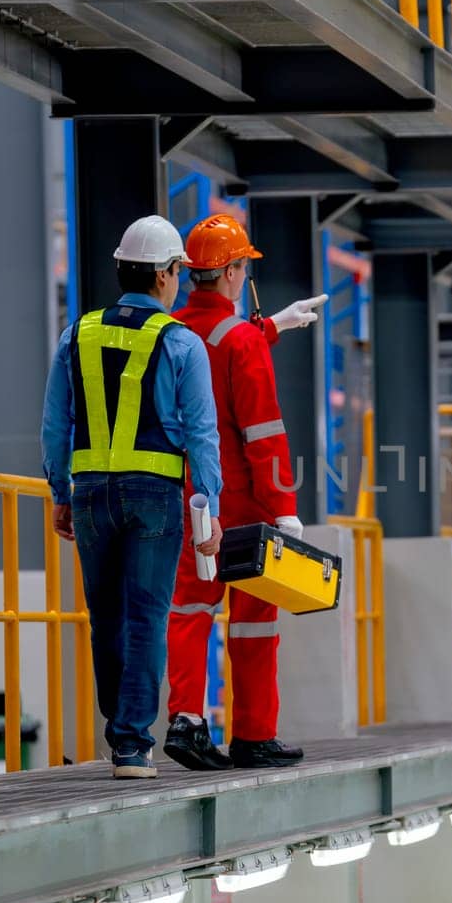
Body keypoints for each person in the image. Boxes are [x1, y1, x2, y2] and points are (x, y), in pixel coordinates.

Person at [41, 214, 224, 779]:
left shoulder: (78, 334)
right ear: (167, 274)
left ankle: (118, 727)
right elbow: (200, 431)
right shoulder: (181, 343)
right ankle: (130, 746)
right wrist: (209, 506)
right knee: (147, 616)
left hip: (91, 492)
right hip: (155, 497)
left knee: (107, 619)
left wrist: (60, 491)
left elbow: (55, 424)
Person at [162, 214, 326, 770]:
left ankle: (186, 721)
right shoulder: (240, 342)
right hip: (247, 506)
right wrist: (284, 509)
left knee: (189, 609)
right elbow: (264, 433)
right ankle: (254, 734)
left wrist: (272, 326)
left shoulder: (173, 335)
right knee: (254, 621)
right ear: (233, 272)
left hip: (189, 502)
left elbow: (215, 351)